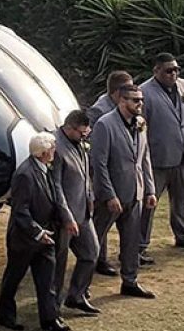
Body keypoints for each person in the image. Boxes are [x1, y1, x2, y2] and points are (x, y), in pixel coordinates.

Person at [0, 132, 79, 331]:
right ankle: (5, 315)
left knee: (47, 281)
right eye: (52, 148)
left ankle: (50, 319)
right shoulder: (25, 174)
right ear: (43, 153)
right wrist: (37, 232)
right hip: (24, 239)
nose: (54, 151)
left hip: (46, 236)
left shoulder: (44, 169)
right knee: (13, 278)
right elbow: (20, 210)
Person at [139, 53, 184, 260]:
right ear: (156, 71)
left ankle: (183, 234)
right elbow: (139, 129)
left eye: (176, 69)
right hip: (157, 159)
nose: (173, 74)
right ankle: (139, 245)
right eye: (168, 70)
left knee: (181, 199)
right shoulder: (144, 92)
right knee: (149, 203)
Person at [90, 84, 158, 299]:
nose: (140, 104)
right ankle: (82, 284)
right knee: (94, 240)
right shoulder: (104, 125)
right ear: (122, 101)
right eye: (135, 100)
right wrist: (109, 195)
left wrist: (150, 190)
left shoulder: (140, 123)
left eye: (141, 100)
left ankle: (130, 281)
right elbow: (99, 164)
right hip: (112, 196)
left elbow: (144, 158)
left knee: (131, 241)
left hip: (135, 193)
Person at [51, 109, 101, 315]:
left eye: (86, 133)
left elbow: (86, 174)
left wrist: (90, 199)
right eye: (81, 133)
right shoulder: (55, 147)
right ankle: (51, 305)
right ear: (69, 128)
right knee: (58, 263)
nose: (84, 137)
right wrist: (66, 217)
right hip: (64, 217)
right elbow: (56, 187)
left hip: (84, 211)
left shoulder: (79, 143)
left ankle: (77, 295)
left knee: (91, 253)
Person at [89, 70, 134, 276]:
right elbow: (97, 155)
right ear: (117, 93)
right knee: (102, 223)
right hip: (105, 176)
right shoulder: (100, 113)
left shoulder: (129, 111)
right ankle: (97, 259)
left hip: (125, 177)